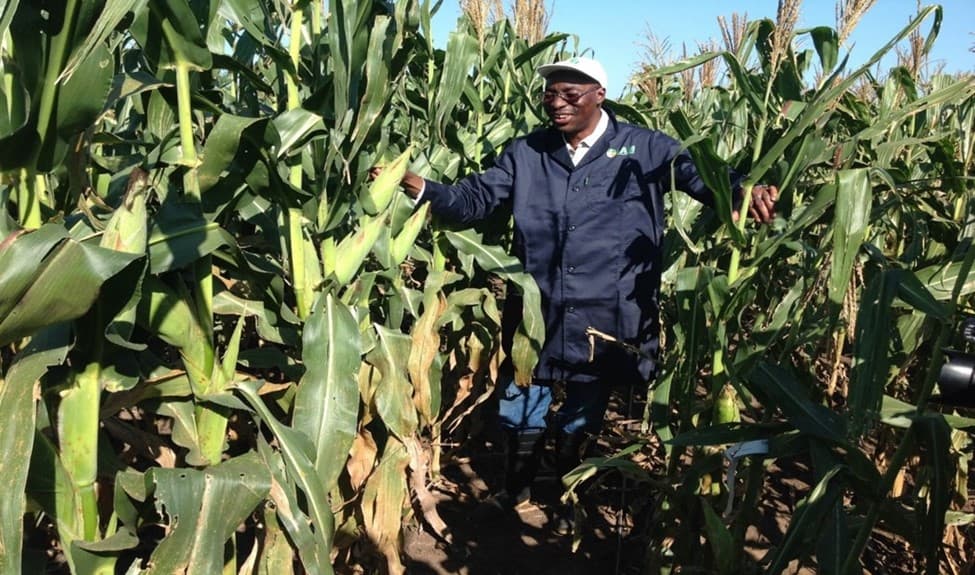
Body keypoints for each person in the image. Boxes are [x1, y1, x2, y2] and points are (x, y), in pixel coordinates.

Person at [382, 56, 777, 521]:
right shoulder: (526, 152)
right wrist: (422, 187)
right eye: (551, 95)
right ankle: (517, 489)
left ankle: (570, 498)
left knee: (585, 410)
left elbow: (699, 175)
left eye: (571, 95)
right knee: (522, 401)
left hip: (605, 315)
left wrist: (741, 191)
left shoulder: (645, 148)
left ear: (599, 96)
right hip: (538, 308)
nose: (558, 104)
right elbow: (475, 200)